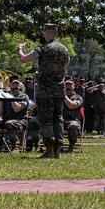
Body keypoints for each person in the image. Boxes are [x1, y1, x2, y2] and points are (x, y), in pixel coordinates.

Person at [18, 23, 70, 159]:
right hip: (59, 90)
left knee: (46, 120)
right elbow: (67, 64)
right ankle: (57, 150)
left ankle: (49, 150)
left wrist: (20, 49)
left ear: (47, 33)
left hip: (45, 91)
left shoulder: (42, 49)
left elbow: (24, 59)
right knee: (58, 119)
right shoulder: (64, 49)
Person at [0, 78, 29, 151]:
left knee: (9, 123)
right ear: (9, 85)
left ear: (20, 86)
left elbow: (16, 109)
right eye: (13, 84)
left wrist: (10, 97)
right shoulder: (5, 95)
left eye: (17, 84)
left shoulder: (23, 96)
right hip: (6, 119)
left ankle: (15, 147)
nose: (15, 85)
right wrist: (0, 101)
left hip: (20, 120)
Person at [63, 79, 83, 152]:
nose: (68, 87)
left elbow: (71, 105)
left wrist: (64, 95)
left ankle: (71, 148)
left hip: (73, 120)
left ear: (74, 86)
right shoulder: (58, 97)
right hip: (59, 120)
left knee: (73, 126)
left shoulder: (78, 97)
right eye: (66, 85)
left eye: (70, 85)